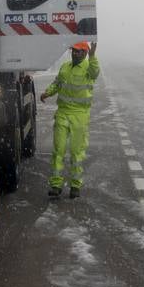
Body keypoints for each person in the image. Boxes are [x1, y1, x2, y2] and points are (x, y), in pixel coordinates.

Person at [40, 41, 100, 199]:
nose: (76, 53)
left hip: (80, 115)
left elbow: (95, 72)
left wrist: (93, 55)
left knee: (76, 152)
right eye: (74, 50)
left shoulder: (88, 67)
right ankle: (56, 184)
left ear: (85, 53)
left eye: (80, 51)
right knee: (58, 150)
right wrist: (47, 92)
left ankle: (75, 185)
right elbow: (57, 83)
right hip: (63, 113)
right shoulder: (65, 67)